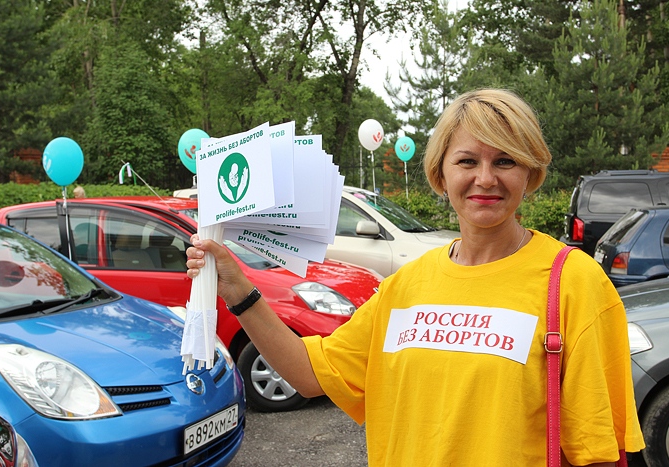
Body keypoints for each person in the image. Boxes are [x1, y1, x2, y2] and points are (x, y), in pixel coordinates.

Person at [186, 88, 644, 466]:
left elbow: (596, 452)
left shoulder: (574, 282)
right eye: (467, 161)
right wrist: (240, 292)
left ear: (531, 173)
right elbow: (310, 375)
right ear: (440, 174)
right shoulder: (407, 286)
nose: (486, 178)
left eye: (506, 161)